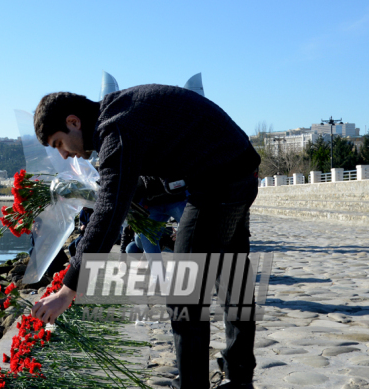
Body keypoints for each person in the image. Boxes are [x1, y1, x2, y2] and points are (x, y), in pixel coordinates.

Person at [30, 85, 260, 389]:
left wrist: (67, 290)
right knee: (233, 279)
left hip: (218, 182)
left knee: (185, 293)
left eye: (59, 143)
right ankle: (240, 378)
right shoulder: (121, 112)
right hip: (238, 167)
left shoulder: (116, 129)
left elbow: (108, 215)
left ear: (74, 121)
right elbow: (147, 175)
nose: (64, 153)